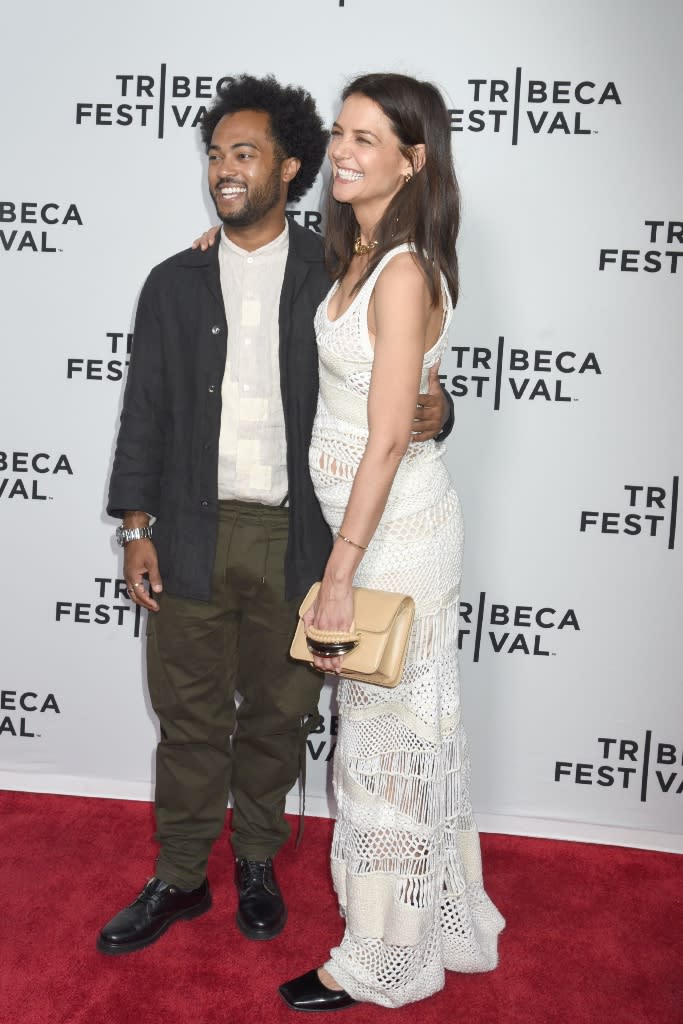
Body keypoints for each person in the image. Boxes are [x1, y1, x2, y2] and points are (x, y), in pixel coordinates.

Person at [98, 74, 452, 957]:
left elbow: (392, 383)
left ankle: (256, 857)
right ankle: (179, 875)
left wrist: (439, 410)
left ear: (290, 167)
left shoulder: (336, 275)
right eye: (214, 154)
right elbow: (142, 409)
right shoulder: (171, 283)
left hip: (298, 536)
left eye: (244, 153)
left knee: (277, 717)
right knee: (186, 720)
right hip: (188, 530)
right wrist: (135, 528)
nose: (224, 169)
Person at [278, 74, 505, 1012]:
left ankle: (382, 959)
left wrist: (340, 570)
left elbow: (384, 436)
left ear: (413, 161)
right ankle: (437, 922)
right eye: (340, 133)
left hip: (390, 540)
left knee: (384, 750)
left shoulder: (403, 267)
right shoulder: (358, 253)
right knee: (401, 742)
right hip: (370, 531)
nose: (341, 151)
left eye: (367, 140)